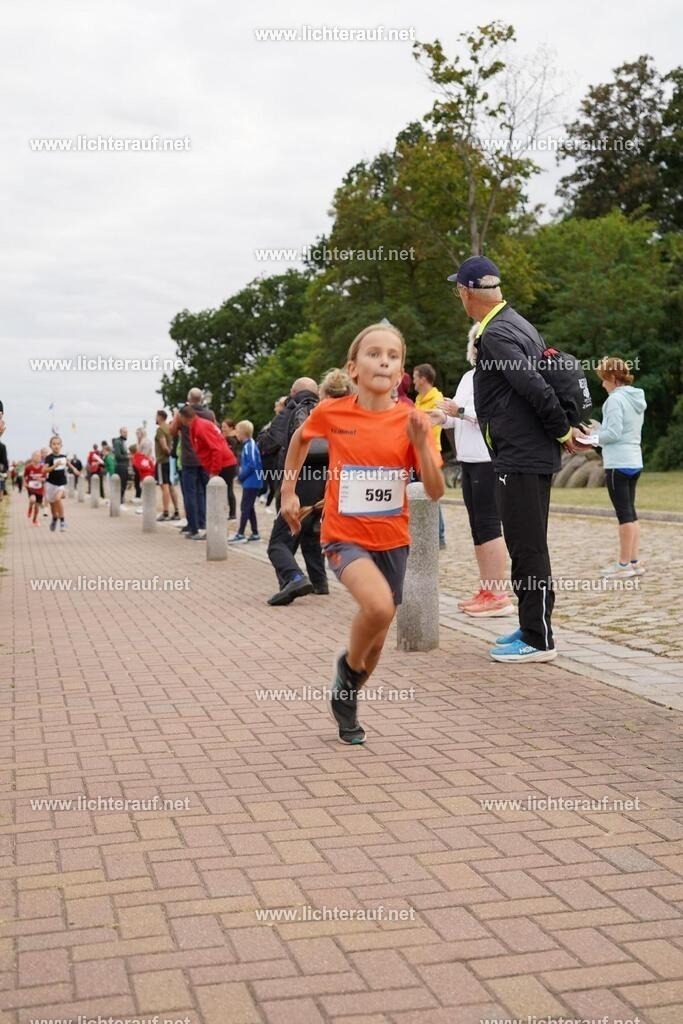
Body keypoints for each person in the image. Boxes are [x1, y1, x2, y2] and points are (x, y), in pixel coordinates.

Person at [281, 324, 443, 744]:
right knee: (379, 606)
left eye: (392, 355)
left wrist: (422, 445)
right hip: (343, 535)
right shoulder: (333, 412)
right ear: (353, 368)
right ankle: (346, 671)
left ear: (402, 371)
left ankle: (347, 693)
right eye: (373, 353)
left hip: (392, 539)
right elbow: (299, 440)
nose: (383, 360)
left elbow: (436, 489)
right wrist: (288, 492)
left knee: (377, 641)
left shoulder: (413, 420)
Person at [450, 255, 585, 664]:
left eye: (459, 289)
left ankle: (540, 638)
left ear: (467, 292)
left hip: (522, 453)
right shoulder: (518, 322)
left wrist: (561, 430)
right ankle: (530, 625)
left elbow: (534, 386)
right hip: (522, 450)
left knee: (527, 546)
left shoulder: (496, 334)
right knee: (523, 541)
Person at [427, 325, 512, 617]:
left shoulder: (498, 377)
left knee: (490, 525)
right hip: (468, 458)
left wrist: (458, 412)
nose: (476, 348)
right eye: (475, 342)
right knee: (477, 525)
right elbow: (458, 417)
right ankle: (486, 588)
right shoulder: (467, 377)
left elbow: (494, 418)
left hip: (489, 459)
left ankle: (499, 594)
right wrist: (442, 417)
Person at [265, 377, 329, 606]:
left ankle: (293, 578)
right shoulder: (326, 409)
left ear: (293, 392)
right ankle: (320, 583)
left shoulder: (291, 409)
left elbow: (269, 442)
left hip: (298, 480)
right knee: (311, 535)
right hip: (324, 482)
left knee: (278, 542)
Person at [593, 357, 647, 578]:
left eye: (604, 380)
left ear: (613, 378)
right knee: (631, 513)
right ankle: (634, 562)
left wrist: (593, 438)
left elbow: (613, 434)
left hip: (617, 463)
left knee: (624, 515)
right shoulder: (636, 398)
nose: (602, 384)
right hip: (634, 460)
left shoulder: (614, 400)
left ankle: (623, 565)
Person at [178, 405, 238, 529]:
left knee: (216, 499)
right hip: (222, 463)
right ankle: (211, 528)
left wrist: (214, 472)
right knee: (213, 498)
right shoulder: (198, 425)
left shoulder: (200, 427)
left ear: (184, 418)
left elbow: (215, 449)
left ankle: (216, 530)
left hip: (223, 464)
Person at [170, 388, 215, 539]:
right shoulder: (209, 414)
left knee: (189, 493)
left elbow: (172, 431)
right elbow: (216, 430)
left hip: (189, 458)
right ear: (201, 399)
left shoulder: (183, 413)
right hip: (205, 458)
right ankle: (203, 523)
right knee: (203, 491)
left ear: (189, 398)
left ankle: (193, 526)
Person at [413, 363, 447, 549]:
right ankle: (427, 534)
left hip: (431, 452)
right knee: (422, 493)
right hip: (418, 452)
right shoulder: (419, 399)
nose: (413, 381)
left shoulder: (437, 399)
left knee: (432, 493)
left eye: (416, 377)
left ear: (423, 379)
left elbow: (433, 427)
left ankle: (439, 536)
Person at [229, 420, 263, 543]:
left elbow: (252, 464)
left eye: (237, 431)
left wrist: (241, 477)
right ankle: (255, 533)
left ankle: (241, 533)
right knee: (249, 507)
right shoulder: (249, 445)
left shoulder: (250, 445)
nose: (236, 434)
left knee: (245, 507)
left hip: (252, 482)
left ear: (243, 432)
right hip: (252, 481)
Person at [44, 436, 80, 532]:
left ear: (61, 445)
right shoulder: (49, 458)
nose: (56, 446)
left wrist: (75, 470)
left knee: (58, 499)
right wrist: (54, 466)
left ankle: (63, 521)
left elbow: (69, 464)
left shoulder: (63, 457)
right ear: (50, 446)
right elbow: (44, 470)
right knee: (53, 506)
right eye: (54, 444)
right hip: (51, 484)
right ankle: (55, 518)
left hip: (61, 483)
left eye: (58, 444)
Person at [154, 410, 181, 522]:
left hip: (162, 460)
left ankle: (165, 512)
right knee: (170, 486)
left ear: (160, 417)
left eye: (156, 416)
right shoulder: (169, 428)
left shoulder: (160, 429)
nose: (155, 418)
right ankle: (176, 511)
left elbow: (164, 446)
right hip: (168, 461)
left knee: (164, 486)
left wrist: (169, 453)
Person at [24, 452, 45, 525]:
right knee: (32, 499)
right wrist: (25, 483)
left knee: (37, 507)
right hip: (31, 488)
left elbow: (45, 478)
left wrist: (41, 479)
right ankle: (30, 508)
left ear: (41, 458)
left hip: (39, 489)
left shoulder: (43, 468)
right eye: (35, 456)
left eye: (39, 456)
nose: (37, 457)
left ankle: (34, 519)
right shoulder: (28, 467)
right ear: (32, 458)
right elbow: (25, 476)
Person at [112, 428, 129, 503]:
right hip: (120, 465)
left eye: (126, 432)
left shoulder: (122, 442)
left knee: (124, 484)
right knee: (121, 485)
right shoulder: (117, 442)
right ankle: (118, 501)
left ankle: (120, 500)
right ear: (120, 433)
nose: (125, 434)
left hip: (124, 465)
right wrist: (127, 457)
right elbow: (118, 455)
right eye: (124, 432)